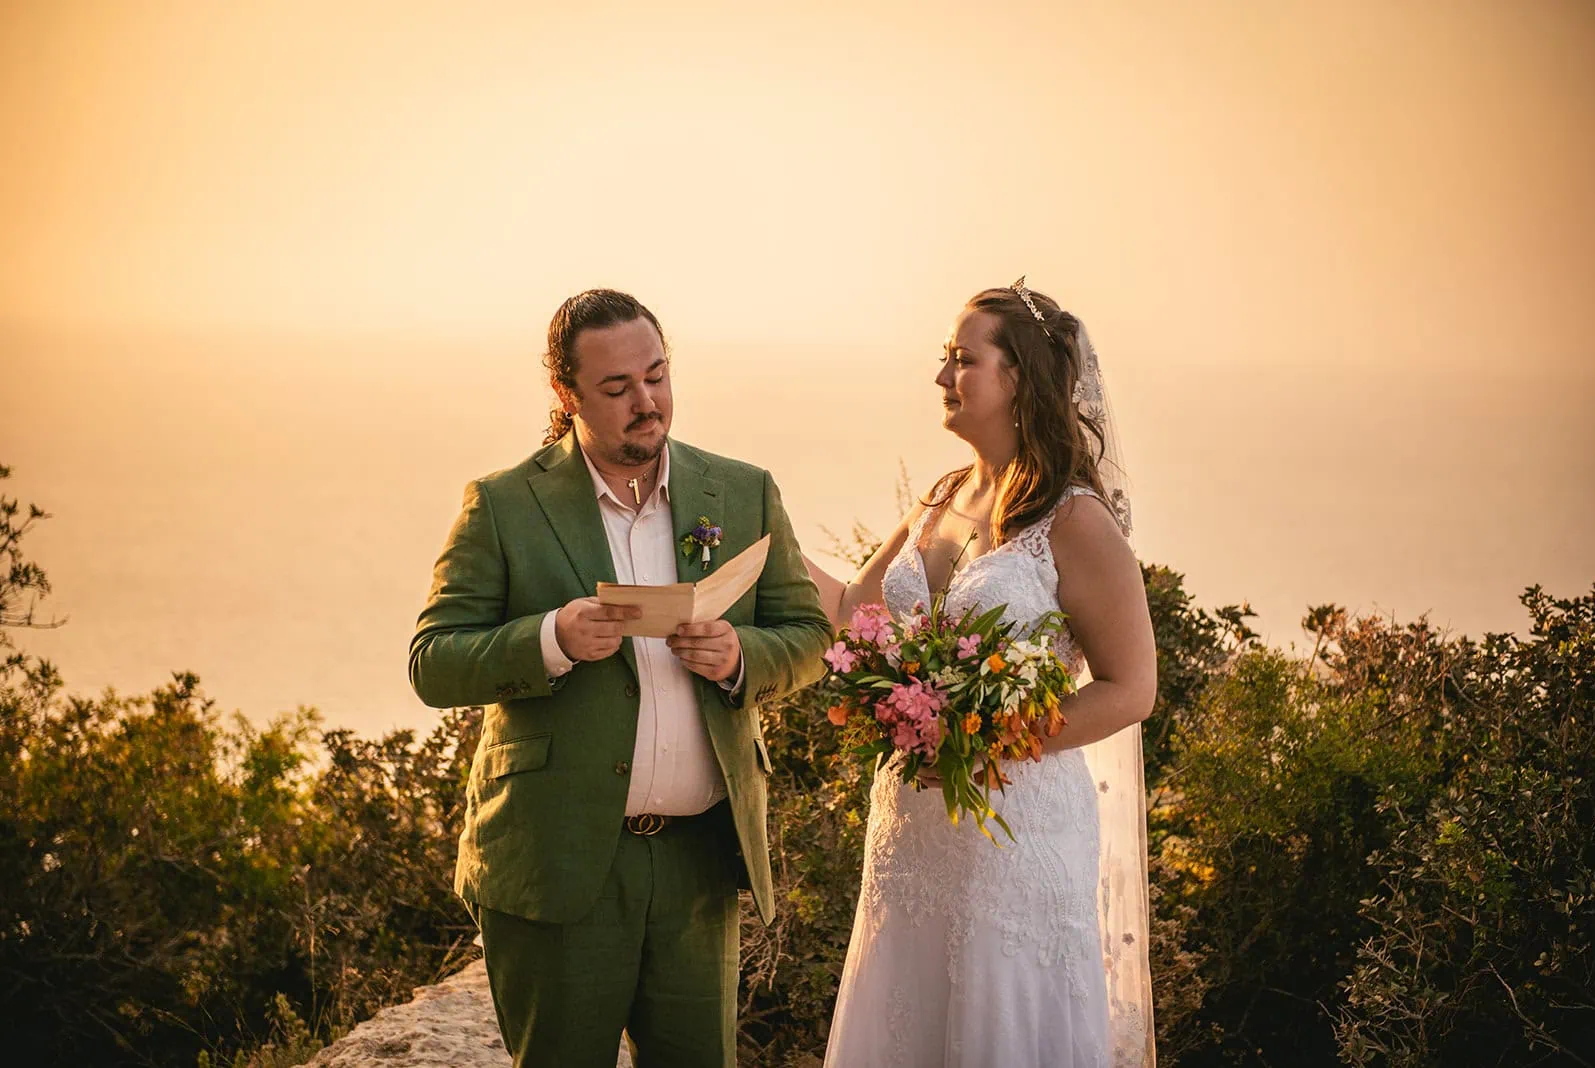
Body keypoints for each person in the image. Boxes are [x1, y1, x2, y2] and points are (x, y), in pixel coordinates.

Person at [409, 288, 831, 1068]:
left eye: (658, 375)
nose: (647, 402)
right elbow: (433, 661)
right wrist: (550, 638)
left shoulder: (741, 492)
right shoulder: (503, 506)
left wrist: (741, 659)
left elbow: (809, 634)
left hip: (699, 862)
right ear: (566, 394)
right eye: (617, 388)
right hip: (558, 862)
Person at [807, 280, 1158, 1066]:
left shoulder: (1075, 520)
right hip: (913, 827)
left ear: (1020, 380)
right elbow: (853, 612)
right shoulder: (939, 499)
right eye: (945, 358)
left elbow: (1131, 687)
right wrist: (755, 532)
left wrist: (992, 740)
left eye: (963, 360)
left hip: (1015, 832)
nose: (942, 378)